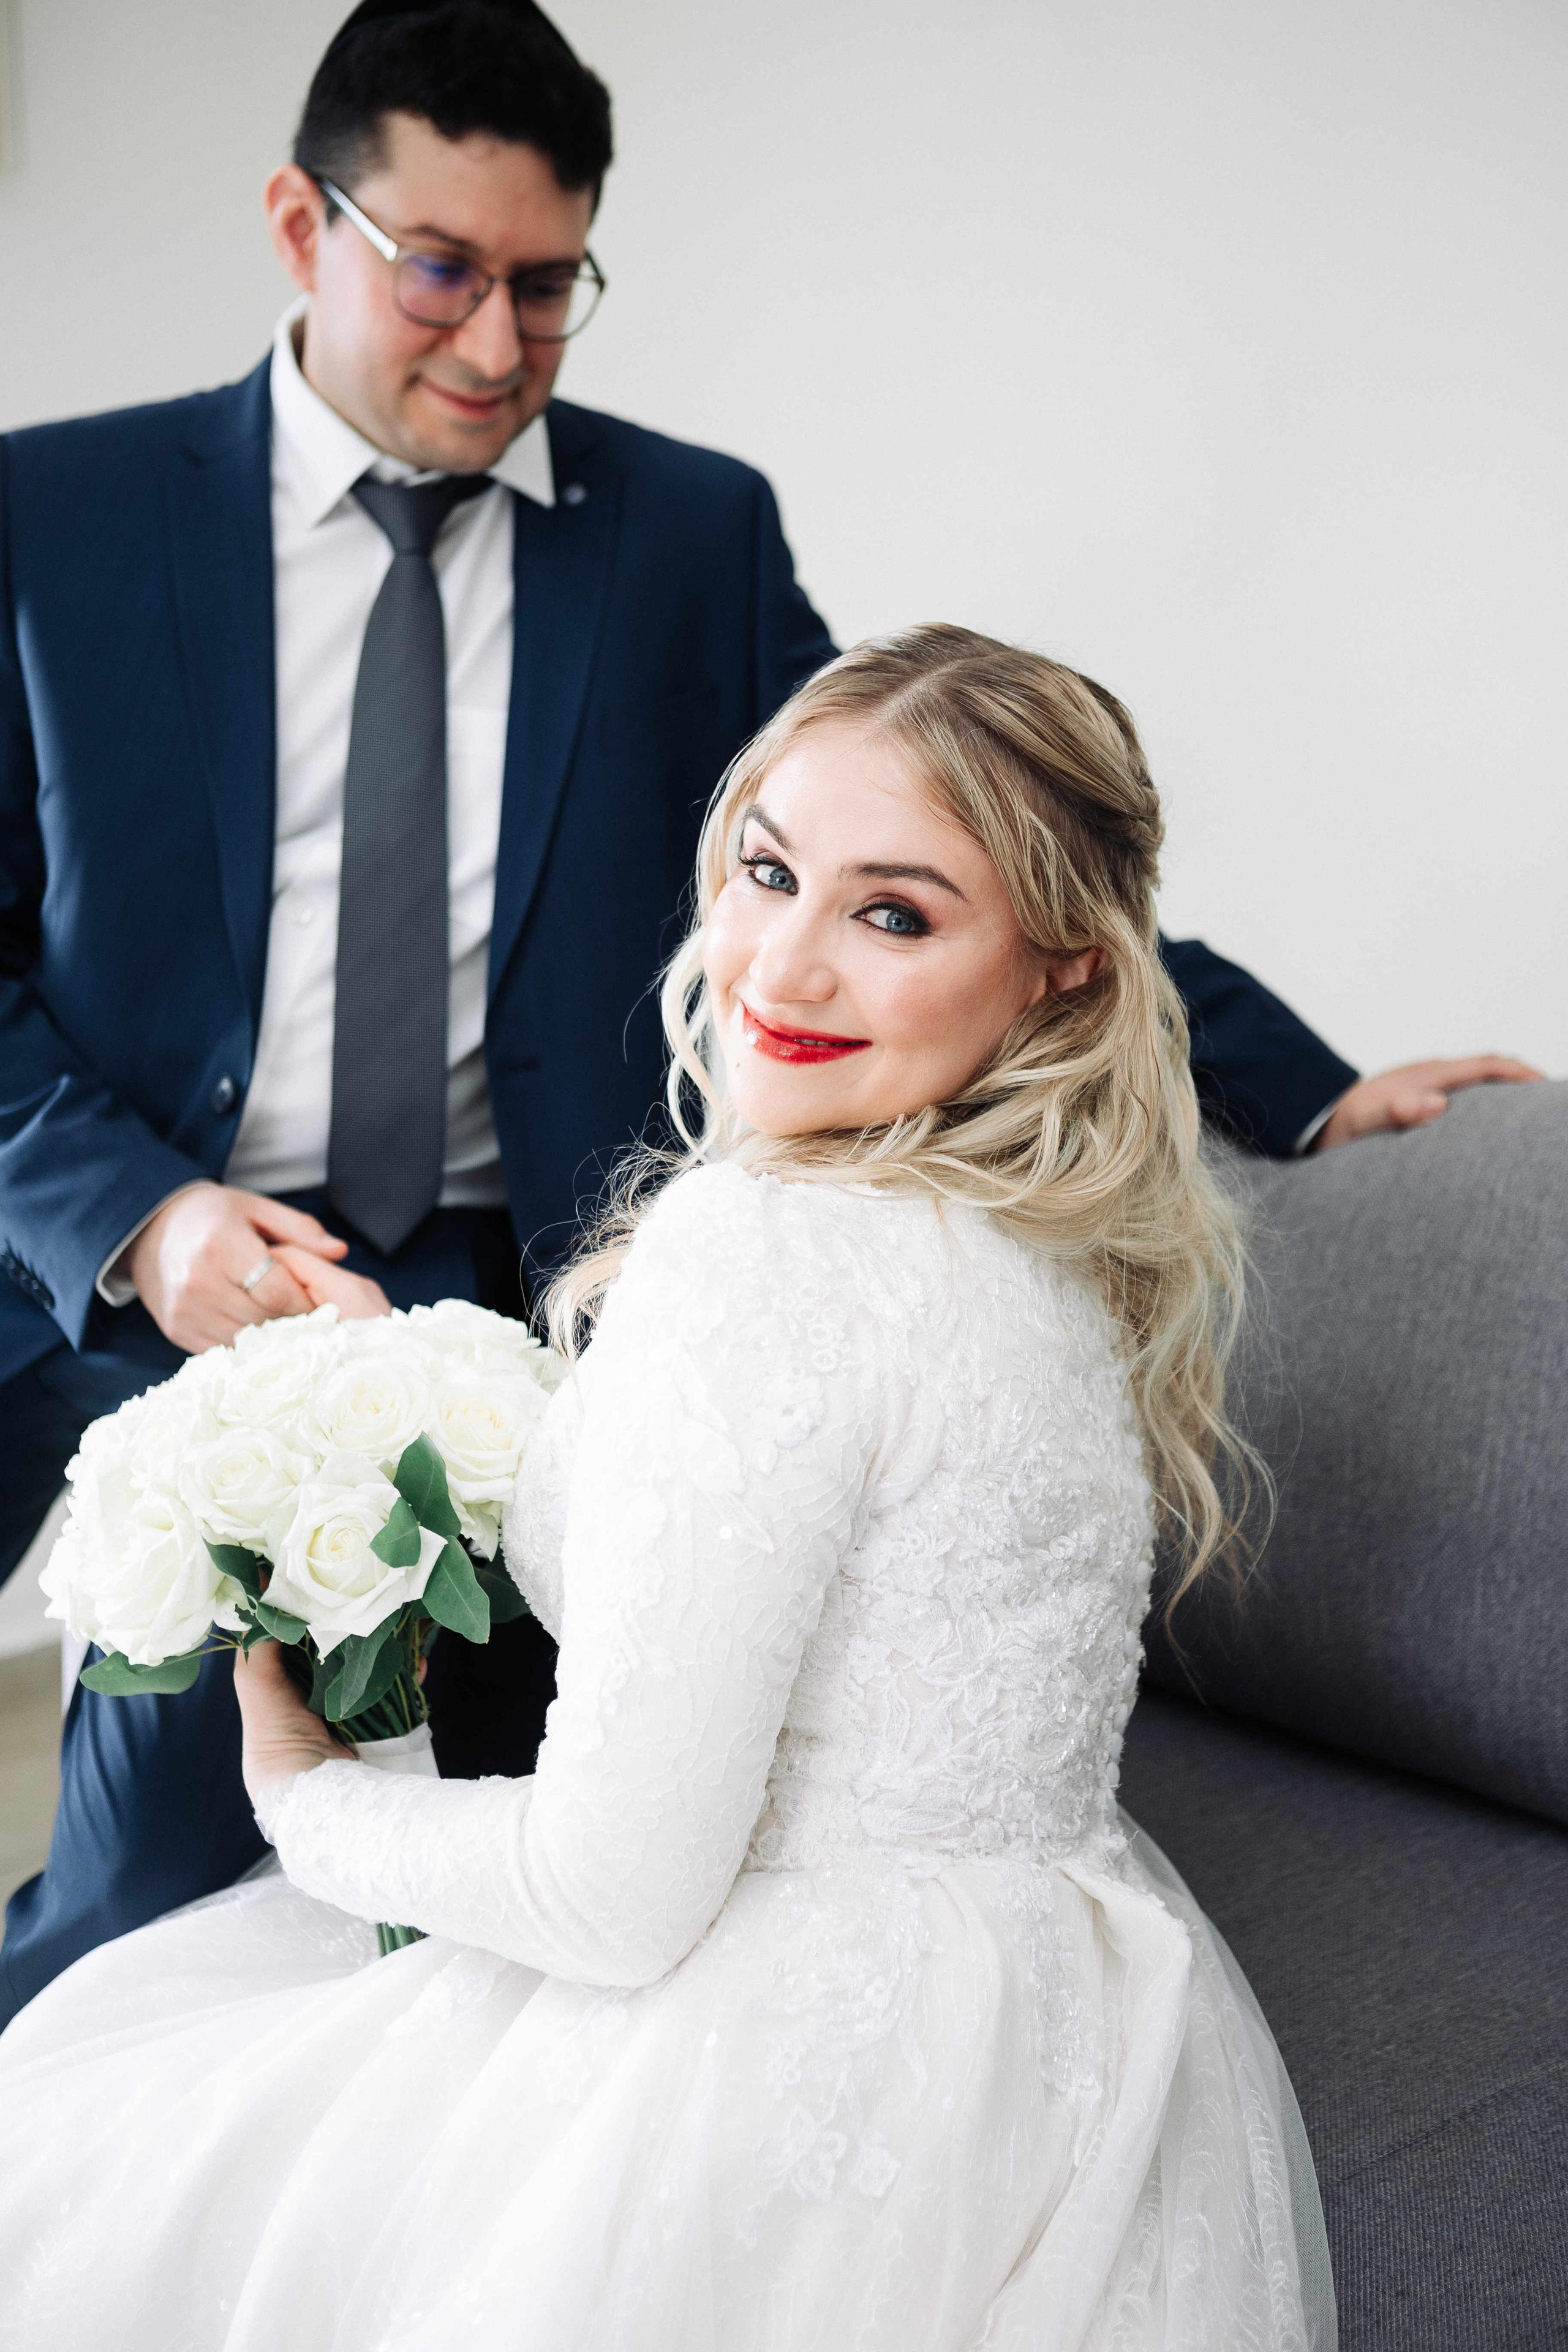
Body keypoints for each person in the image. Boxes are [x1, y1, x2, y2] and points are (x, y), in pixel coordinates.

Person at [0, 0, 1532, 2026]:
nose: (494, 346)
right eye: (441, 271)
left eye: (551, 289)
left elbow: (951, 848)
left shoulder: (685, 533)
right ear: (305, 223)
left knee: (481, 1867)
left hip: (504, 1278)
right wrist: (143, 1217)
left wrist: (1317, 1089)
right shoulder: (55, 518)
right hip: (130, 1256)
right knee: (143, 1848)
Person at [0, 628, 1335, 2348]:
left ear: (1065, 975)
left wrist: (303, 1788)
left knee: (79, 2138)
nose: (781, 963)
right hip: (1063, 2027)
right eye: (770, 870)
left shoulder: (768, 1251)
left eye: (896, 913)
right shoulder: (1059, 1250)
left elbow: (612, 1897)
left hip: (764, 2059)